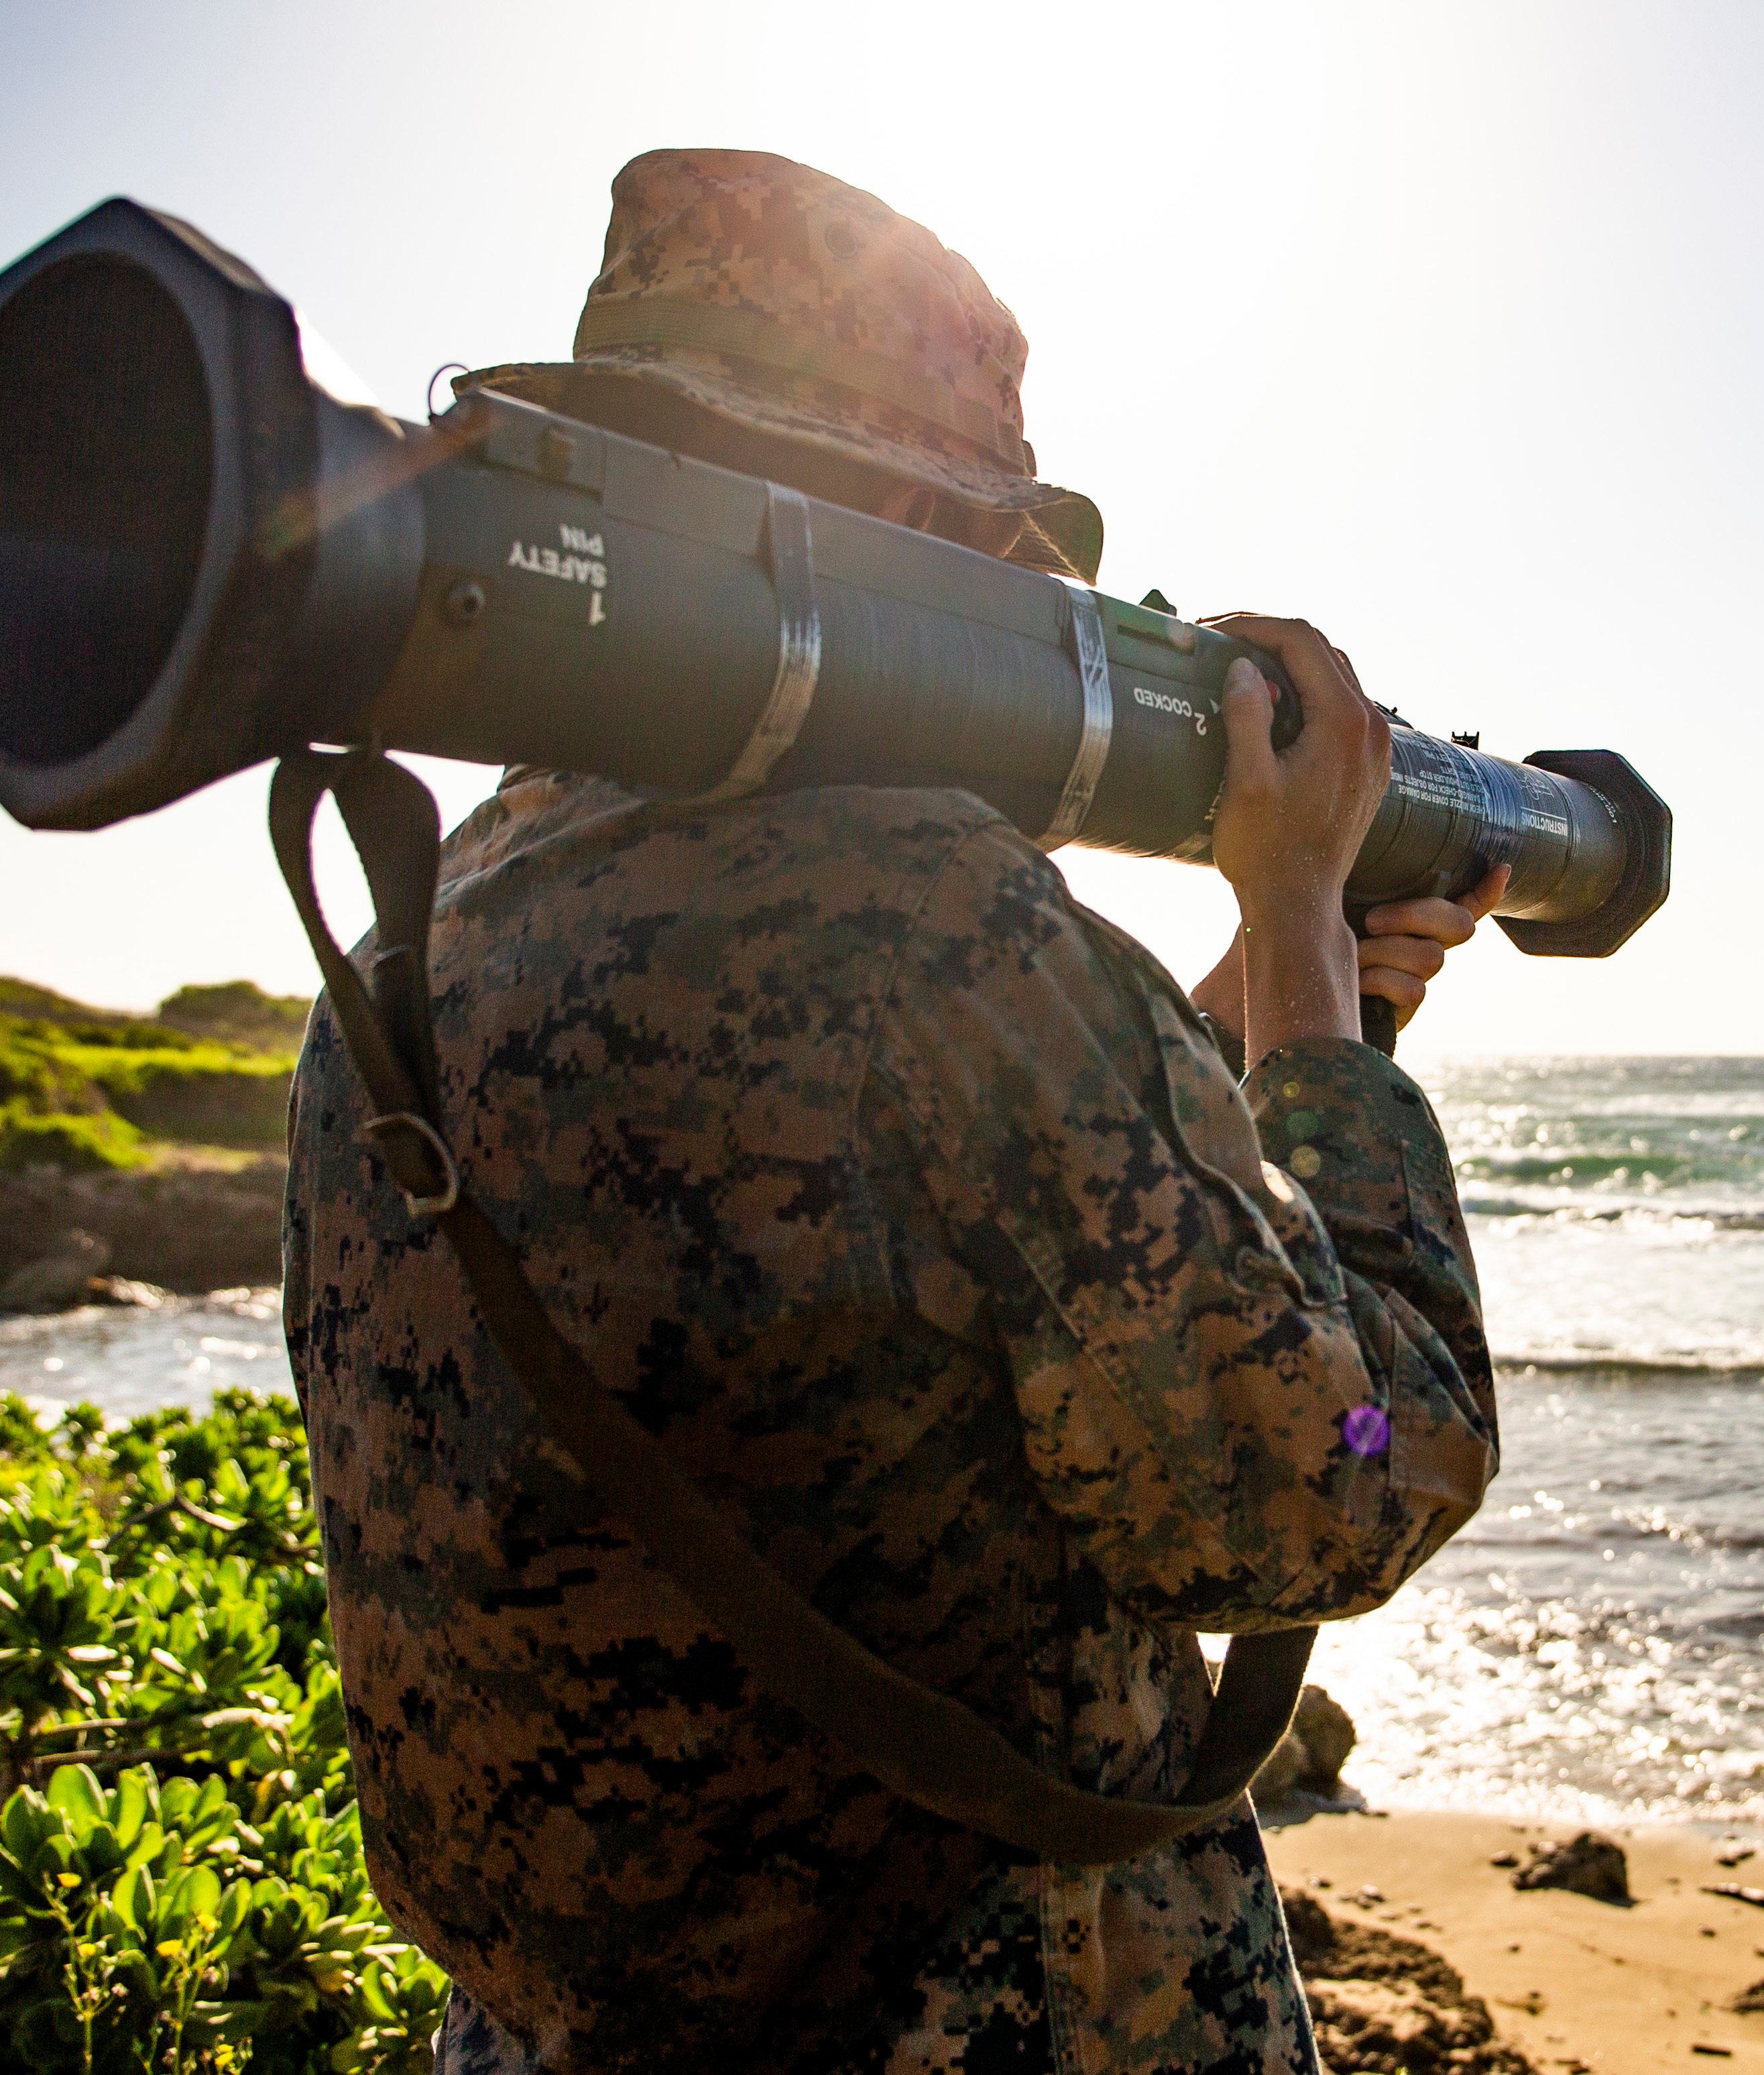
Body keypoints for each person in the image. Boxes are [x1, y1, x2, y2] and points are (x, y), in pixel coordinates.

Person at [283, 148, 1504, 2073]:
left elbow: (879, 1245)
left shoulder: (409, 953)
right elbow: (1326, 1492)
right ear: (884, 529)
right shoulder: (922, 915)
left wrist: (1239, 1020)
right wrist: (1294, 947)